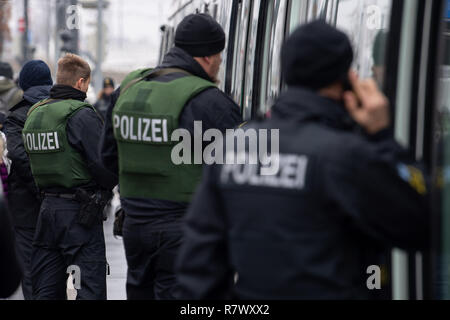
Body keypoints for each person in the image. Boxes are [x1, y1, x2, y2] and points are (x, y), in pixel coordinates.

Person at [175, 20, 430, 300]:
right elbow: (418, 224)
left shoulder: (233, 148)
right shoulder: (347, 154)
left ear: (287, 72)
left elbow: (199, 265)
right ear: (346, 77)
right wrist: (382, 135)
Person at [100, 13, 242, 300]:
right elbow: (239, 174)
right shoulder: (212, 102)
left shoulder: (128, 89)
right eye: (219, 55)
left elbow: (107, 157)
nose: (220, 63)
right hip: (186, 230)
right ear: (206, 57)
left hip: (135, 226)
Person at [23, 54, 117, 300]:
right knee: (89, 288)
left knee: (46, 289)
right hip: (80, 214)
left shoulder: (35, 114)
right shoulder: (82, 114)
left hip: (46, 212)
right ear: (81, 83)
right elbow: (104, 167)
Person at [4, 60, 53, 300]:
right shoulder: (66, 110)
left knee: (31, 274)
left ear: (24, 84)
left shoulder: (16, 117)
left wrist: (38, 189)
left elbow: (18, 157)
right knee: (57, 272)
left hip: (25, 211)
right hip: (64, 207)